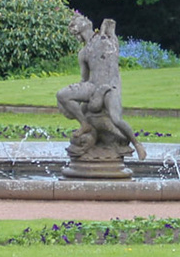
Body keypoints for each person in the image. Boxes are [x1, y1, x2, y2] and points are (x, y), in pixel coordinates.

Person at [56, 16, 145, 158]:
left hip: (110, 87)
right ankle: (85, 124)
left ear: (80, 31)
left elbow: (110, 25)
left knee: (116, 119)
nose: (76, 38)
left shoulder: (105, 40)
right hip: (92, 86)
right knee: (62, 95)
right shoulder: (83, 53)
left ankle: (137, 144)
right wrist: (77, 102)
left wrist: (108, 29)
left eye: (76, 34)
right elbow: (84, 79)